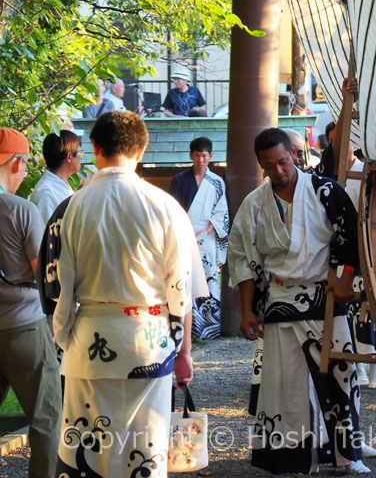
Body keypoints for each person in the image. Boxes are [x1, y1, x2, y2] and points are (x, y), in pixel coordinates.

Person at [52, 111, 202, 476]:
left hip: (89, 340)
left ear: (94, 147)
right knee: (144, 450)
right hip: (148, 339)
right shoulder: (167, 207)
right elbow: (180, 289)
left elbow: (58, 288)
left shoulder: (71, 207)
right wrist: (183, 350)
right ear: (141, 148)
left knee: (88, 448)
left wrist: (64, 336)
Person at [228, 128, 369, 475]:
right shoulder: (255, 204)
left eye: (283, 161)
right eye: (270, 166)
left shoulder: (324, 191)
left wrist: (346, 278)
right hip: (279, 299)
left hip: (325, 295)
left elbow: (351, 236)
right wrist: (247, 309)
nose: (279, 171)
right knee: (284, 383)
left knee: (340, 376)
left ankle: (348, 455)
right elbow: (242, 258)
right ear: (261, 165)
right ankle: (288, 456)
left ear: (293, 154)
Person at [0, 127, 61, 478]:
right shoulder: (21, 210)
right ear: (16, 162)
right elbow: (46, 276)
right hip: (23, 327)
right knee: (46, 418)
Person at [169, 136, 229, 339]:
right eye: (197, 155)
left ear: (210, 156)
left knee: (209, 278)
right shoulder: (179, 180)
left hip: (208, 236)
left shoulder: (217, 182)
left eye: (204, 156)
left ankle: (209, 328)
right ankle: (186, 329)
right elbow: (174, 209)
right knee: (184, 279)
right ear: (191, 156)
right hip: (185, 235)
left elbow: (221, 212)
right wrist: (185, 230)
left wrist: (208, 231)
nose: (201, 160)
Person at [29, 130, 83, 223]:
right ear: (69, 157)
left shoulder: (59, 185)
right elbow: (47, 234)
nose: (81, 156)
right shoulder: (46, 193)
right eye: (80, 151)